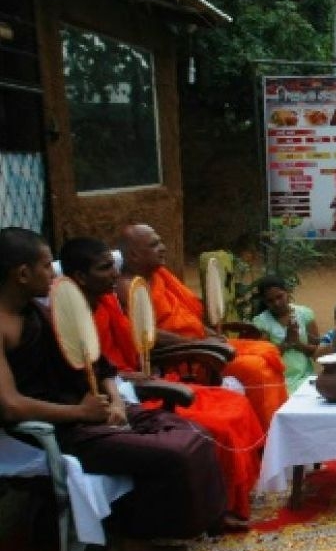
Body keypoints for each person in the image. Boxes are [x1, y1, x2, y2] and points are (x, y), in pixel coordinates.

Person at [0, 227, 227, 540]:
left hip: (95, 410)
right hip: (58, 430)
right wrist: (81, 414)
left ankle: (190, 528)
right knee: (174, 455)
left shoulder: (43, 311)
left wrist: (116, 402)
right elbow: (10, 406)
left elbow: (100, 364)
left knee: (196, 433)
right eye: (46, 265)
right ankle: (146, 538)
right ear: (23, 274)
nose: (54, 273)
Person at [61, 236, 262, 527]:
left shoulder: (106, 302)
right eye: (106, 268)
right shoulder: (65, 321)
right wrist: (121, 388)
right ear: (80, 277)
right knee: (210, 427)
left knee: (234, 403)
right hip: (119, 399)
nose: (115, 274)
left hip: (128, 388)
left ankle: (230, 500)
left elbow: (110, 362)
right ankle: (209, 513)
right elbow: (101, 370)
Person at [116, 224, 287, 429]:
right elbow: (145, 334)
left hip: (201, 343)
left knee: (267, 349)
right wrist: (199, 343)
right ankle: (268, 436)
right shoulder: (129, 287)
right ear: (134, 255)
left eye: (160, 242)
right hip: (186, 357)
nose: (163, 247)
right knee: (255, 368)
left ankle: (281, 431)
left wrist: (211, 334)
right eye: (154, 245)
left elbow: (187, 316)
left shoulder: (160, 276)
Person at [252, 276, 320, 391]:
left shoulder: (305, 314)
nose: (277, 303)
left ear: (287, 292)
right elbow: (264, 359)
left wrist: (298, 344)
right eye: (270, 300)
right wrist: (286, 342)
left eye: (279, 297)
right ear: (264, 301)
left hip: (306, 378)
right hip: (277, 382)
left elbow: (317, 353)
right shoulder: (261, 322)